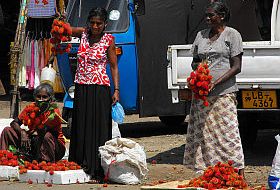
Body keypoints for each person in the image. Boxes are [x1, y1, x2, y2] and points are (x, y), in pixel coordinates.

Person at [183, 1, 245, 178]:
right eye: (207, 15)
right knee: (205, 135)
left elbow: (237, 66)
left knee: (228, 134)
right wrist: (199, 74)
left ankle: (237, 171)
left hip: (224, 94)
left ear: (222, 16)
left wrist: (215, 82)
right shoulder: (201, 35)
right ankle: (210, 172)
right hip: (202, 95)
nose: (207, 18)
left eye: (211, 15)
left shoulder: (232, 35)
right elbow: (195, 60)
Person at [68, 7, 120, 182]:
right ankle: (80, 165)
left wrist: (117, 90)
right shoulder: (83, 34)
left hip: (99, 88)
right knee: (81, 125)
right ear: (88, 23)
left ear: (105, 24)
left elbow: (113, 66)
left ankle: (97, 169)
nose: (95, 26)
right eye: (92, 23)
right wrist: (58, 25)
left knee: (97, 127)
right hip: (82, 86)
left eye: (99, 23)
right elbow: (64, 29)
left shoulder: (108, 40)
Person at [0, 82, 66, 162]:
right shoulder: (31, 107)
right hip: (33, 141)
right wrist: (22, 133)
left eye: (44, 97)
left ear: (50, 98)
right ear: (35, 97)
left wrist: (27, 134)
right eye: (38, 97)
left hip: (53, 146)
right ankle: (6, 157)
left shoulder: (54, 112)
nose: (41, 99)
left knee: (46, 136)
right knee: (8, 130)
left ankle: (45, 162)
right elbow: (14, 123)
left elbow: (42, 131)